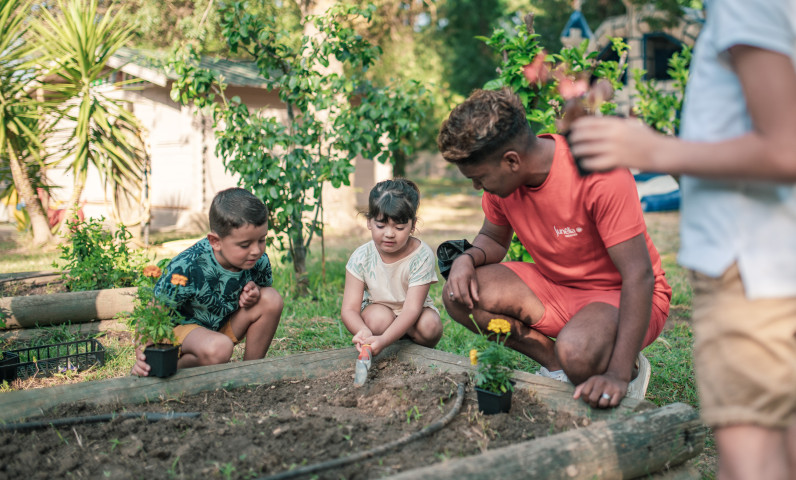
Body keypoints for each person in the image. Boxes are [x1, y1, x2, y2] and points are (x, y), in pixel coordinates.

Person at [569, 0, 796, 477]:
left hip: (748, 269)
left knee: (754, 462)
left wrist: (652, 147)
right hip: (772, 258)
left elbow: (785, 147)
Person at [436, 88, 672, 408]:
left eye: (478, 178)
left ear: (512, 161)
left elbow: (639, 275)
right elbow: (493, 238)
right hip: (557, 289)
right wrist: (467, 258)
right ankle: (555, 366)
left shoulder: (596, 172)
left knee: (578, 352)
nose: (477, 187)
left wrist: (615, 374)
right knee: (459, 296)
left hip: (624, 294)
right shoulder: (502, 184)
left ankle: (622, 362)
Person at [131, 187, 284, 376]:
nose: (256, 250)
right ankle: (163, 369)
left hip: (219, 331)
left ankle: (249, 372)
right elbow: (152, 314)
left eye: (262, 240)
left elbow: (262, 292)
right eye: (245, 245)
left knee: (271, 299)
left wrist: (254, 292)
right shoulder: (186, 268)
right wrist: (142, 357)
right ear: (215, 241)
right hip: (180, 335)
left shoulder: (258, 261)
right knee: (220, 348)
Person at [341, 178, 443, 357]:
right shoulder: (361, 256)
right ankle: (390, 336)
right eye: (381, 225)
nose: (389, 234)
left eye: (399, 227)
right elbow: (349, 309)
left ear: (413, 226)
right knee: (376, 319)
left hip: (414, 315)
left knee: (430, 326)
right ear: (369, 222)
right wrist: (362, 330)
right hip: (379, 310)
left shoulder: (421, 255)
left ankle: (400, 339)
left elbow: (412, 309)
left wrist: (384, 339)